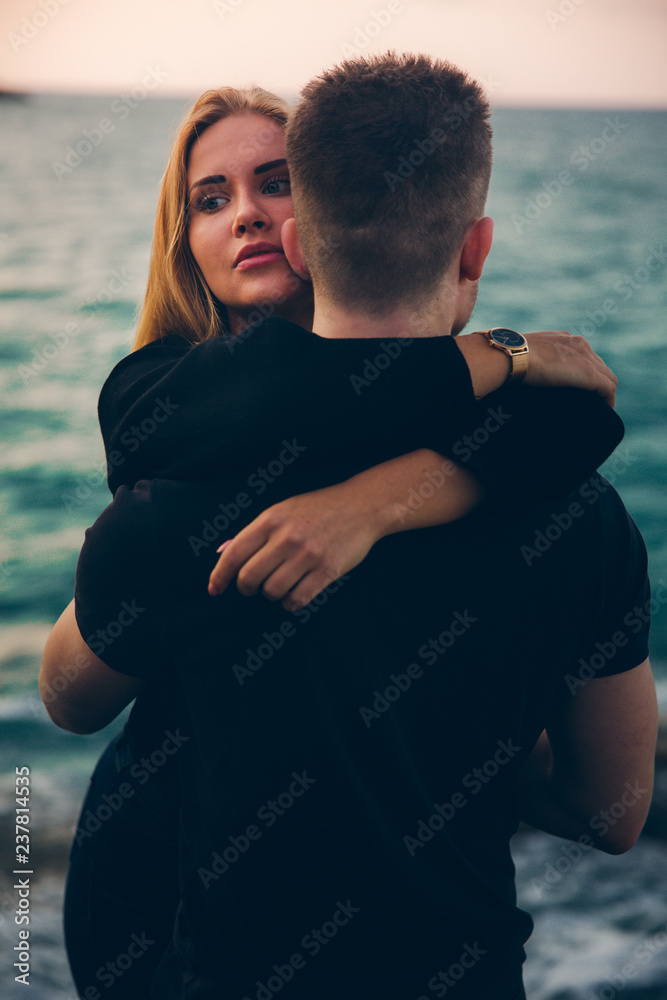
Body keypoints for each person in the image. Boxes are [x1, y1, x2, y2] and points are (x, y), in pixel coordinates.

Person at [40, 56, 655, 999]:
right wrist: (501, 350)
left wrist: (369, 505)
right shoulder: (163, 402)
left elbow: (573, 425)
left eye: (276, 183)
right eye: (209, 198)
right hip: (152, 910)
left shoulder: (511, 435)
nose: (248, 213)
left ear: (316, 217)